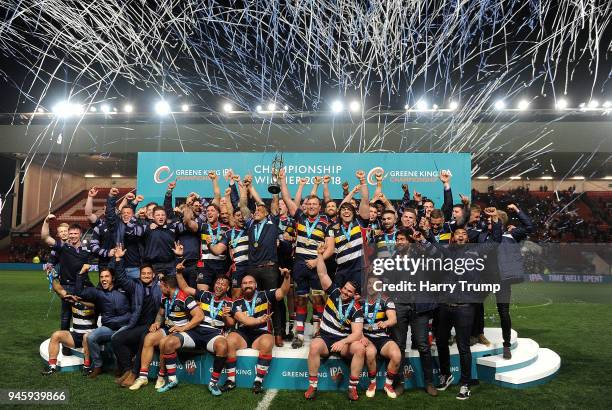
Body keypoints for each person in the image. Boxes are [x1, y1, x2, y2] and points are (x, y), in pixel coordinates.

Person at [279, 168, 334, 348]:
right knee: (300, 299)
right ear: (305, 206)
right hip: (300, 264)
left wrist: (318, 261)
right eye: (308, 204)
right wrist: (283, 179)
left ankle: (318, 332)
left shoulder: (327, 222)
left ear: (320, 207)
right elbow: (287, 199)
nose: (311, 206)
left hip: (317, 266)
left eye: (314, 204)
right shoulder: (300, 216)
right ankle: (299, 335)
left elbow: (331, 248)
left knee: (318, 300)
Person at [305, 245, 365, 401]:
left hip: (343, 341)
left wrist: (343, 341)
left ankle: (352, 388)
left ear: (355, 295)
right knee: (314, 346)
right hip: (325, 337)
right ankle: (312, 385)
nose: (345, 292)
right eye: (345, 289)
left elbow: (357, 333)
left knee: (359, 348)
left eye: (349, 292)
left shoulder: (356, 309)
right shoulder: (334, 292)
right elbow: (322, 273)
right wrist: (319, 254)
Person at [129, 274, 204, 392]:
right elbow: (160, 313)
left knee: (164, 342)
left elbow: (199, 316)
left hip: (182, 332)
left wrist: (183, 327)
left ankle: (161, 376)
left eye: (161, 285)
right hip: (168, 328)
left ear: (167, 286)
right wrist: (157, 323)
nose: (160, 288)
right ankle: (143, 377)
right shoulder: (165, 297)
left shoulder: (185, 298)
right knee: (148, 338)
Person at [225, 270, 291, 394]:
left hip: (261, 334)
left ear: (256, 285)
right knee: (230, 341)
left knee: (267, 342)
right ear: (241, 287)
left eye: (250, 282)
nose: (248, 285)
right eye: (244, 283)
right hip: (242, 333)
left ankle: (258, 381)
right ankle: (230, 380)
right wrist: (259, 320)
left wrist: (287, 278)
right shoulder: (236, 303)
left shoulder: (265, 295)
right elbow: (245, 320)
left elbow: (282, 292)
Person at [176, 261, 234, 395]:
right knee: (169, 342)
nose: (219, 286)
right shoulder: (205, 295)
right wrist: (179, 273)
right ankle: (171, 378)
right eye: (218, 283)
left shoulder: (231, 303)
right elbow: (185, 288)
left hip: (214, 334)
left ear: (228, 287)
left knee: (223, 346)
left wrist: (225, 317)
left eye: (223, 284)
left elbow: (231, 324)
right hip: (196, 331)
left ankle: (213, 383)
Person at [109, 245, 162, 386]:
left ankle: (134, 373)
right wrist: (118, 259)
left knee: (144, 341)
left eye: (148, 273)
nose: (146, 275)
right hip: (136, 324)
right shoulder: (135, 286)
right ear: (140, 275)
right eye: (143, 273)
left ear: (153, 274)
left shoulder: (160, 287)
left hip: (153, 326)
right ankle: (127, 370)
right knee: (116, 339)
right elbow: (121, 278)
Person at [75, 262, 132, 378]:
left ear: (113, 278)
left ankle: (121, 366)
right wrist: (81, 273)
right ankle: (98, 366)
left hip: (125, 326)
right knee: (91, 337)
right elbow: (79, 292)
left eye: (107, 276)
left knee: (117, 338)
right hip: (109, 327)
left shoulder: (124, 289)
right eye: (101, 277)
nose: (103, 279)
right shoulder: (98, 292)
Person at [41, 271, 97, 376]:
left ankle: (87, 366)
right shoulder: (72, 299)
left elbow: (93, 305)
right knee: (56, 335)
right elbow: (59, 290)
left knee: (86, 337)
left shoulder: (95, 301)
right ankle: (52, 366)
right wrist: (52, 278)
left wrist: (79, 301)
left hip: (90, 337)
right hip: (76, 336)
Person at [42, 220, 92, 331]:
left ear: (80, 234)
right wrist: (46, 222)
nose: (73, 235)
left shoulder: (86, 249)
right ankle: (64, 341)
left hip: (83, 285)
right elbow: (45, 237)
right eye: (71, 233)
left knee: (85, 311)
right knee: (66, 316)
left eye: (75, 233)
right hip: (67, 286)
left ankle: (84, 336)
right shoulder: (62, 247)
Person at [361, 277, 400, 399]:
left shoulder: (386, 300)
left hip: (382, 337)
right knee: (370, 353)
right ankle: (372, 383)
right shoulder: (360, 301)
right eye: (369, 283)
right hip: (366, 337)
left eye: (375, 284)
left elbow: (393, 319)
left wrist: (386, 323)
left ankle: (388, 385)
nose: (371, 286)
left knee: (397, 355)